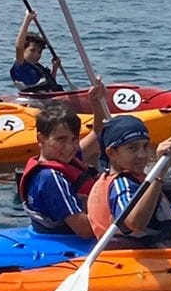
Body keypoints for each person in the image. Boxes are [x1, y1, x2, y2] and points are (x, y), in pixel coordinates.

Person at [87, 114, 171, 250]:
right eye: (132, 148)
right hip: (146, 258)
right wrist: (159, 175)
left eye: (145, 146)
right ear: (111, 152)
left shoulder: (115, 178)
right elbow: (134, 222)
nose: (142, 155)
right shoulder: (121, 184)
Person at [15, 101, 110, 238]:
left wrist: (97, 101)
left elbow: (98, 133)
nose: (69, 147)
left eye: (74, 139)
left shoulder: (66, 158)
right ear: (41, 139)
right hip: (66, 240)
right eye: (61, 139)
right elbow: (85, 231)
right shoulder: (52, 178)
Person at [9, 12, 60, 96]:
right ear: (24, 50)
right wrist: (27, 20)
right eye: (32, 50)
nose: (36, 55)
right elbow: (19, 47)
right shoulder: (21, 67)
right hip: (39, 104)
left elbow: (48, 85)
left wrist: (54, 69)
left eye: (39, 52)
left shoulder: (37, 68)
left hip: (51, 101)